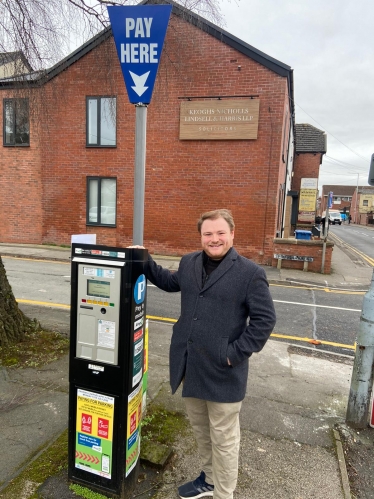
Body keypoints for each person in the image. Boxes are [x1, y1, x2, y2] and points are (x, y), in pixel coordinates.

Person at [144, 209, 276, 499]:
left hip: (224, 372)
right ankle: (210, 479)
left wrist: (232, 354)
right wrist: (144, 260)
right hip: (190, 365)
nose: (214, 239)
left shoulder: (250, 273)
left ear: (232, 234)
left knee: (224, 440)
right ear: (201, 236)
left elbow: (265, 321)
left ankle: (223, 494)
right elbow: (170, 283)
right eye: (208, 234)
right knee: (202, 431)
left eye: (220, 233)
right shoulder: (189, 262)